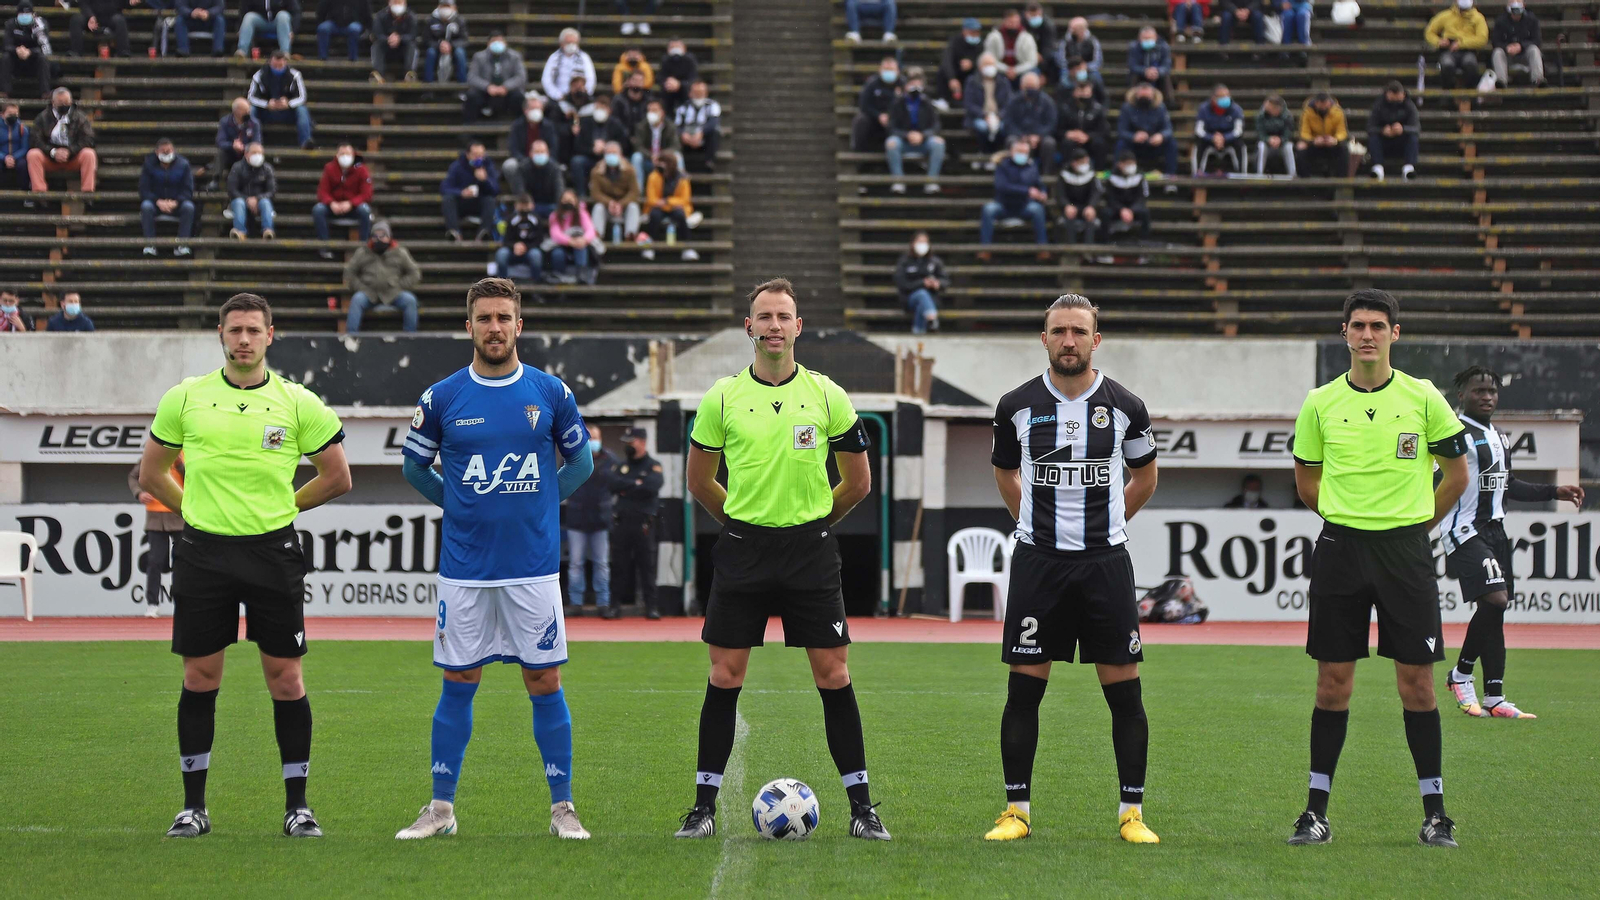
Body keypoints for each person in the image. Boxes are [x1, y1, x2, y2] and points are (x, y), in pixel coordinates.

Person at [675, 278, 887, 842]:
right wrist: (741, 522)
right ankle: (702, 809)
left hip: (810, 553)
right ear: (749, 327)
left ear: (798, 327)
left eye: (783, 316)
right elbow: (699, 481)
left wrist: (812, 522)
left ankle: (862, 809)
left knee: (834, 673)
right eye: (764, 317)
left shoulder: (827, 394)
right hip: (742, 551)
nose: (774, 326)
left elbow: (858, 482)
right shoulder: (722, 397)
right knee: (725, 674)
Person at [140, 291, 352, 840]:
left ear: (269, 335)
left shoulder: (298, 401)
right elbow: (152, 472)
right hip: (203, 553)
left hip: (272, 553)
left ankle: (298, 808)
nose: (243, 340)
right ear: (221, 334)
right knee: (199, 677)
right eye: (234, 330)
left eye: (253, 330)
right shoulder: (186, 397)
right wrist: (193, 509)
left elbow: (337, 476)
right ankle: (193, 808)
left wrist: (284, 508)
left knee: (286, 678)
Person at [392, 277, 595, 842]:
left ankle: (563, 808)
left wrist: (541, 504)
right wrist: (459, 505)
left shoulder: (550, 392)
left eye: (504, 317)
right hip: (466, 571)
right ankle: (440, 808)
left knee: (544, 679)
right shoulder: (442, 397)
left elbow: (580, 464)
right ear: (469, 327)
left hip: (533, 568)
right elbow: (414, 468)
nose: (495, 327)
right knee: (458, 680)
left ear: (519, 325)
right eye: (484, 318)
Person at [1285, 288, 1470, 848]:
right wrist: (1350, 519)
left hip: (1405, 553)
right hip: (1340, 550)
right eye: (1358, 325)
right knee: (1332, 683)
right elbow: (1307, 483)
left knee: (1418, 683)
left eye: (1378, 325)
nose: (1368, 334)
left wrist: (1413, 526)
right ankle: (1315, 813)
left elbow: (1457, 475)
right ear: (1344, 333)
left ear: (1395, 333)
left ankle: (1435, 815)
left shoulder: (1424, 396)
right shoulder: (1320, 402)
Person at [982, 293, 1161, 845]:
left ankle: (1132, 815)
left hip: (1106, 564)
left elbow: (1145, 478)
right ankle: (1016, 812)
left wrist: (1107, 521)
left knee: (1125, 694)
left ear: (1095, 340)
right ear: (1044, 339)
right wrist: (1032, 520)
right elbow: (1006, 473)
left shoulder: (1126, 406)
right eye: (1058, 331)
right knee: (1024, 692)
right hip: (1039, 564)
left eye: (1078, 332)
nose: (1068, 341)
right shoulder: (1015, 405)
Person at [1442, 365, 1581, 719]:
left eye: (1492, 391)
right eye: (1479, 391)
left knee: (1496, 612)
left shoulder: (1499, 436)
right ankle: (1460, 673)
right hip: (1464, 530)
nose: (1487, 397)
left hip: (1496, 533)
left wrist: (1555, 491)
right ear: (1462, 395)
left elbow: (1508, 484)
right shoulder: (1454, 433)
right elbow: (1431, 479)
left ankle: (1494, 697)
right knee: (1496, 600)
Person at [609, 426, 664, 619]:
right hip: (622, 522)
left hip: (644, 524)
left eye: (631, 442)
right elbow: (612, 484)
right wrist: (636, 483)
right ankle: (614, 606)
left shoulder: (653, 465)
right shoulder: (621, 465)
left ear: (642, 442)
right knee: (619, 566)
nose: (628, 446)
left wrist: (627, 487)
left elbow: (652, 487)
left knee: (647, 567)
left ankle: (651, 607)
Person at [564, 424, 617, 618]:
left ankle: (603, 603)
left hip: (600, 520)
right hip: (577, 519)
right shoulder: (572, 457)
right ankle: (576, 603)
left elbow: (617, 484)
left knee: (601, 563)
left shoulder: (611, 459)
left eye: (596, 437)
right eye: (590, 438)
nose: (593, 441)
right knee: (576, 563)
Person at [129, 454, 184, 617]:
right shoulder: (153, 452)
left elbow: (193, 479)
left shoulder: (187, 453)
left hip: (179, 514)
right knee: (155, 561)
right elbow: (133, 476)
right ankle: (152, 603)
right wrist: (139, 493)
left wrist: (180, 465)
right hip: (155, 517)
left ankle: (183, 602)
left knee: (182, 562)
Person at [979, 137, 1049, 262]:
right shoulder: (1003, 166)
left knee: (1038, 209)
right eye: (1019, 151)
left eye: (1025, 152)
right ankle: (985, 249)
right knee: (988, 209)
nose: (1022, 154)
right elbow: (1002, 186)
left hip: (1024, 206)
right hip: (1004, 205)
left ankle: (1042, 248)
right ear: (1012, 152)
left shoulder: (1032, 166)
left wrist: (1043, 192)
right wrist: (1027, 191)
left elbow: (1039, 184)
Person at [344, 221, 421, 332]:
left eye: (383, 235)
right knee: (357, 299)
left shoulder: (400, 252)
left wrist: (399, 286)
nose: (379, 239)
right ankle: (352, 336)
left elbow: (414, 273)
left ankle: (409, 337)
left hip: (394, 293)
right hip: (368, 293)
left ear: (389, 237)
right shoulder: (362, 252)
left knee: (410, 300)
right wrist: (361, 287)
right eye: (375, 236)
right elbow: (349, 272)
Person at [885, 67, 943, 194]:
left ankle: (931, 182)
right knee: (891, 142)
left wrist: (923, 135)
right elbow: (891, 127)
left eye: (918, 84)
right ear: (906, 85)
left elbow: (936, 125)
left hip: (923, 141)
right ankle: (898, 181)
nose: (915, 87)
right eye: (912, 83)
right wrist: (906, 135)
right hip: (903, 141)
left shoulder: (927, 103)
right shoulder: (897, 103)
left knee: (938, 143)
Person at [28, 88, 97, 193]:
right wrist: (53, 152)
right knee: (33, 155)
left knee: (89, 154)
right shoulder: (42, 118)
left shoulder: (80, 117)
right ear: (53, 102)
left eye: (66, 102)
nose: (64, 105)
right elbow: (35, 140)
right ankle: (39, 191)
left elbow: (88, 139)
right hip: (49, 157)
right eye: (60, 102)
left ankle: (87, 191)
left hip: (73, 157)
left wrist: (70, 151)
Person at [312, 143, 373, 257]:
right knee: (318, 210)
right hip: (333, 207)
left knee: (365, 210)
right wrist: (331, 203)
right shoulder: (329, 168)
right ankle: (324, 247)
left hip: (354, 207)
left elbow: (367, 194)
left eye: (348, 154)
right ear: (337, 155)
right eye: (342, 154)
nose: (345, 157)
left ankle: (364, 249)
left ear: (353, 155)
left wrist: (351, 203)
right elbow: (322, 191)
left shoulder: (362, 169)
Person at [249, 50, 315, 150]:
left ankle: (306, 142)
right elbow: (251, 97)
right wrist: (266, 104)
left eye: (280, 66)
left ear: (285, 62)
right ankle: (252, 142)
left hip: (288, 112)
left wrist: (288, 103)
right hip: (266, 112)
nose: (277, 68)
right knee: (251, 109)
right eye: (275, 65)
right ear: (270, 62)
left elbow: (302, 97)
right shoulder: (259, 75)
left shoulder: (295, 75)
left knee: (302, 109)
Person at [140, 138, 195, 256]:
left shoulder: (183, 164)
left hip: (177, 203)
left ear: (173, 150)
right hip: (156, 203)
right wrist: (158, 201)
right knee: (146, 206)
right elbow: (144, 189)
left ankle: (182, 244)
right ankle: (150, 245)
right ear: (157, 152)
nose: (166, 153)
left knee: (189, 207)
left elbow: (188, 190)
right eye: (163, 151)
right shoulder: (149, 164)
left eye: (168, 151)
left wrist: (176, 202)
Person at [640, 155, 697, 262]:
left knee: (680, 215)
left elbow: (685, 199)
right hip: (658, 207)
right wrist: (663, 203)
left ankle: (688, 247)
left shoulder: (682, 178)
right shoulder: (653, 176)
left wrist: (667, 201)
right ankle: (649, 247)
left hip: (673, 206)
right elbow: (651, 199)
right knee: (654, 215)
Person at [440, 140, 499, 242]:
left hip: (479, 203)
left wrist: (485, 181)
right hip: (461, 203)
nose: (478, 158)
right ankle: (454, 232)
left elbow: (495, 191)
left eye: (481, 155)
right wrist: (461, 192)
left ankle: (483, 233)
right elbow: (444, 187)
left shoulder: (488, 166)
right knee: (447, 199)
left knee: (490, 200)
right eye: (475, 155)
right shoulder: (457, 166)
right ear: (468, 155)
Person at [1115, 83, 1176, 177]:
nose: (1144, 98)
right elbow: (1121, 130)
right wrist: (1133, 136)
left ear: (1153, 95)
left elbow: (1168, 129)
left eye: (1147, 96)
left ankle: (1170, 175)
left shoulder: (1160, 108)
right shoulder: (1127, 108)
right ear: (1136, 95)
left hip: (1154, 144)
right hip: (1135, 146)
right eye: (1142, 95)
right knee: (1121, 143)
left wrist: (1161, 136)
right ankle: (1117, 173)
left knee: (1171, 143)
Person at [503, 98, 560, 199]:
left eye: (539, 108)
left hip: (544, 159)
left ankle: (550, 199)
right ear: (526, 110)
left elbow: (553, 147)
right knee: (510, 165)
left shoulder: (549, 126)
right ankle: (521, 198)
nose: (537, 111)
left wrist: (544, 157)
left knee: (555, 167)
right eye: (533, 108)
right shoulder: (517, 126)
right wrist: (526, 161)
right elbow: (513, 148)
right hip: (523, 160)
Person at [465, 33, 527, 124]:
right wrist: (488, 87)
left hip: (507, 92)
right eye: (494, 41)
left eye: (500, 41)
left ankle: (518, 126)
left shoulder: (515, 56)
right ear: (488, 44)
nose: (497, 43)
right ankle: (469, 127)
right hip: (486, 92)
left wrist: (506, 87)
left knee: (518, 97)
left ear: (505, 43)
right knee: (472, 96)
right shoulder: (478, 57)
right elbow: (472, 77)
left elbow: (521, 77)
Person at [1001, 71, 1056, 173]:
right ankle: (1015, 173)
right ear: (1021, 86)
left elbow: (1051, 123)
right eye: (1028, 86)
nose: (1030, 89)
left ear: (1038, 86)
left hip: (1040, 136)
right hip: (1020, 135)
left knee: (1049, 143)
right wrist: (1022, 136)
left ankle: (1046, 173)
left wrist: (1038, 136)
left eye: (1033, 86)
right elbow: (1008, 122)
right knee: (1011, 140)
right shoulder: (1013, 101)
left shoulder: (1047, 102)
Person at [1426, 0, 1489, 90]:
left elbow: (1482, 39)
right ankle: (1448, 91)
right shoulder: (1446, 15)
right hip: (1448, 50)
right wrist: (1438, 41)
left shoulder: (1478, 18)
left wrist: (1461, 44)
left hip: (1468, 51)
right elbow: (1429, 32)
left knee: (1470, 64)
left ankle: (1470, 91)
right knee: (1447, 65)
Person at [963, 53, 1012, 161]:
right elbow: (969, 104)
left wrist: (999, 116)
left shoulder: (1003, 82)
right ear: (980, 67)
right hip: (979, 117)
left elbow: (1008, 104)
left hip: (999, 117)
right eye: (987, 64)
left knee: (1003, 128)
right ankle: (984, 154)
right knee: (982, 127)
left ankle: (996, 153)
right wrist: (985, 116)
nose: (990, 67)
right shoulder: (972, 81)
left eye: (992, 64)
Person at [893, 231, 944, 334]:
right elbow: (902, 283)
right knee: (921, 294)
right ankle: (932, 319)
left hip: (931, 298)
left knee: (922, 304)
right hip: (909, 298)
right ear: (913, 243)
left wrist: (937, 284)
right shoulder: (905, 261)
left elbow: (945, 280)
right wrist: (922, 283)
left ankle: (918, 332)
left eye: (925, 242)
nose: (922, 245)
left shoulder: (934, 261)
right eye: (919, 242)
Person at [1368, 81, 1419, 181]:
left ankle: (1409, 168)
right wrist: (1382, 130)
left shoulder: (1409, 105)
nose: (1395, 101)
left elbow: (1416, 127)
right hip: (1384, 141)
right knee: (1373, 138)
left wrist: (1403, 129)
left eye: (1398, 98)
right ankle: (1377, 167)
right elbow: (1370, 126)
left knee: (1413, 137)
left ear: (1403, 94)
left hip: (1402, 142)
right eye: (1392, 99)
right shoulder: (1378, 104)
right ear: (1387, 94)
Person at [589, 141, 640, 243]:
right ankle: (597, 237)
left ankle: (630, 236)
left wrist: (621, 204)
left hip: (624, 206)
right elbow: (595, 193)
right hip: (606, 206)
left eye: (614, 153)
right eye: (609, 153)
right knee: (598, 208)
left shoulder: (629, 170)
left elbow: (634, 192)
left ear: (620, 155)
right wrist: (610, 203)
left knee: (633, 207)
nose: (611, 156)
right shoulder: (596, 171)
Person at [3, 2, 55, 99]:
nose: (24, 15)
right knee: (6, 57)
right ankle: (4, 92)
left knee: (43, 58)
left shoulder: (40, 25)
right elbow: (6, 45)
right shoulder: (10, 24)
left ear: (33, 14)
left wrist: (30, 52)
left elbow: (45, 47)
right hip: (16, 60)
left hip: (34, 61)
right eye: (22, 13)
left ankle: (45, 92)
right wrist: (17, 50)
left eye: (27, 13)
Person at [1054, 148, 1102, 247]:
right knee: (1069, 215)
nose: (1085, 165)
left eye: (1086, 162)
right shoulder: (1064, 175)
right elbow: (1060, 194)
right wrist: (1066, 205)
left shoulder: (1091, 174)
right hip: (1070, 207)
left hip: (1086, 207)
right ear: (1074, 163)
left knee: (1090, 216)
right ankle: (1071, 249)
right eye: (1082, 162)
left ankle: (1088, 250)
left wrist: (1091, 206)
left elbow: (1096, 192)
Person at [227, 141, 276, 239]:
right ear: (246, 154)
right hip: (241, 199)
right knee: (239, 202)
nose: (258, 155)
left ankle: (267, 231)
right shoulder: (237, 167)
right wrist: (247, 199)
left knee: (265, 202)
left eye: (260, 153)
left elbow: (272, 191)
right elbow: (232, 190)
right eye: (254, 153)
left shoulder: (267, 169)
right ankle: (240, 232)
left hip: (260, 201)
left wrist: (257, 199)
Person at [1057, 76, 1108, 169]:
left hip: (1090, 140)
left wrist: (1088, 136)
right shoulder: (1065, 108)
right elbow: (1058, 129)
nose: (1082, 93)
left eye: (1085, 91)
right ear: (1074, 92)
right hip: (1072, 139)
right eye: (1079, 90)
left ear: (1091, 92)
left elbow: (1103, 130)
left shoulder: (1097, 109)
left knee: (1099, 143)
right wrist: (1068, 133)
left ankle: (1100, 171)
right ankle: (1067, 169)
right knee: (1067, 143)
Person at [850, 56, 899, 153]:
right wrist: (878, 115)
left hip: (895, 119)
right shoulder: (872, 84)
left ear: (897, 71)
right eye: (886, 69)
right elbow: (864, 104)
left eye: (891, 69)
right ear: (880, 70)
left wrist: (890, 116)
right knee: (860, 120)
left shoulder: (902, 84)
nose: (889, 72)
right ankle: (859, 150)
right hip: (875, 119)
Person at [547, 188, 597, 283]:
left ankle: (581, 276)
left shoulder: (582, 214)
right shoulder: (555, 215)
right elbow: (555, 233)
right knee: (557, 253)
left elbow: (590, 230)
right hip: (562, 246)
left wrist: (583, 240)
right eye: (565, 200)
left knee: (581, 248)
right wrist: (570, 241)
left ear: (576, 201)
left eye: (570, 200)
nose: (568, 203)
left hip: (579, 245)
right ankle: (558, 276)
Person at [1489, 1, 1543, 88]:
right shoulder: (1500, 21)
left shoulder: (1532, 20)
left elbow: (1537, 40)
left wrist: (1521, 46)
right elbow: (1495, 42)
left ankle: (1538, 79)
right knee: (1497, 52)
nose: (1516, 16)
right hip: (1507, 56)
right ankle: (1501, 82)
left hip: (1525, 55)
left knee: (1534, 49)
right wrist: (1506, 47)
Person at [212, 98, 262, 191]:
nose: (248, 112)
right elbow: (220, 141)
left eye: (248, 109)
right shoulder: (225, 122)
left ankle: (254, 184)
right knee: (221, 153)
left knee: (256, 154)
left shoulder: (254, 123)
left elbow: (257, 142)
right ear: (237, 111)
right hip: (231, 153)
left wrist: (245, 147)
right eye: (245, 110)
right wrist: (232, 145)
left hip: (246, 154)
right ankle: (216, 180)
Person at [630, 98, 679, 192]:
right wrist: (651, 156)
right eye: (649, 110)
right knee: (636, 157)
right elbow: (638, 146)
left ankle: (678, 188)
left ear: (662, 113)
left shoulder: (670, 127)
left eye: (654, 110)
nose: (651, 113)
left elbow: (675, 146)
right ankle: (637, 191)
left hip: (665, 160)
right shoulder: (641, 127)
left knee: (677, 156)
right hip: (648, 159)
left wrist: (661, 155)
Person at [1195, 83, 1245, 174]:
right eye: (1222, 96)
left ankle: (1242, 174)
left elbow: (1238, 130)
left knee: (1240, 143)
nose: (1226, 98)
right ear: (1213, 98)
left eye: (1227, 95)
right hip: (1210, 139)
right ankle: (1198, 172)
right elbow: (1199, 130)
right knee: (1199, 142)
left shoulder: (1236, 109)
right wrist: (1212, 138)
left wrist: (1224, 138)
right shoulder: (1203, 109)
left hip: (1229, 139)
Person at [1296, 91, 1348, 178]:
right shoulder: (1307, 112)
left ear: (1329, 102)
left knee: (1344, 148)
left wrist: (1335, 140)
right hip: (1314, 143)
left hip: (1331, 143)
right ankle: (1304, 178)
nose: (1324, 107)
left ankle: (1341, 178)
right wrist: (1313, 141)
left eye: (1325, 104)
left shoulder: (1338, 112)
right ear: (1316, 103)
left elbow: (1342, 131)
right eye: (1321, 104)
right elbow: (1304, 132)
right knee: (1301, 147)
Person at [675, 80, 720, 173]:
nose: (698, 95)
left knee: (715, 132)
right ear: (690, 93)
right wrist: (683, 134)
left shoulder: (712, 105)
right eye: (696, 93)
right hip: (686, 138)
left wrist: (701, 133)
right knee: (674, 136)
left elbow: (713, 123)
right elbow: (677, 125)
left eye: (701, 93)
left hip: (703, 138)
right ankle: (679, 166)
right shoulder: (683, 107)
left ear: (706, 93)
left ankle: (709, 162)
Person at [937, 17, 984, 108]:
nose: (975, 35)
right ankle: (943, 99)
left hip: (972, 74)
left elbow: (983, 60)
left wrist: (972, 64)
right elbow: (947, 59)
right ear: (964, 31)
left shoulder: (980, 44)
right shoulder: (955, 41)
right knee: (942, 72)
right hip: (957, 74)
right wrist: (952, 78)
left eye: (977, 32)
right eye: (972, 32)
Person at [1103, 151, 1151, 239]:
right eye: (1128, 163)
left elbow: (1142, 197)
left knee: (1145, 212)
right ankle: (1105, 241)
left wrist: (1132, 210)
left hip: (1134, 208)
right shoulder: (1112, 178)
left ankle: (1144, 240)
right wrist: (1121, 209)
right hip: (1117, 208)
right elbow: (1110, 198)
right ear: (1120, 164)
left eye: (1133, 163)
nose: (1131, 166)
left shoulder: (1140, 177)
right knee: (1106, 213)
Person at [494, 194, 543, 278]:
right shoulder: (511, 219)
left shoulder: (536, 219)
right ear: (516, 206)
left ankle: (536, 282)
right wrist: (515, 246)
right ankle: (502, 281)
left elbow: (539, 240)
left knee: (536, 255)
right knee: (501, 254)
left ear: (532, 205)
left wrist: (526, 247)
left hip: (530, 249)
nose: (524, 209)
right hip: (512, 249)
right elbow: (505, 240)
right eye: (521, 205)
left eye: (526, 205)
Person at [419, 0, 468, 84]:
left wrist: (451, 45)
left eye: (448, 6)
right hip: (436, 47)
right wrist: (439, 44)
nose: (445, 9)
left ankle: (462, 83)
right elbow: (426, 39)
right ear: (438, 7)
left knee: (460, 53)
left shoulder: (459, 20)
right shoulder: (431, 20)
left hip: (454, 48)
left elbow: (464, 40)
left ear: (454, 8)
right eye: (443, 6)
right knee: (430, 52)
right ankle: (428, 83)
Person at [369, 0, 418, 83]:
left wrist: (400, 38)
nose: (397, 5)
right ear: (389, 3)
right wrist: (389, 39)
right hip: (386, 48)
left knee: (412, 46)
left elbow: (412, 35)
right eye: (395, 2)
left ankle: (409, 74)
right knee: (376, 45)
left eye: (400, 2)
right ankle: (378, 75)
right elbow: (377, 34)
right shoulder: (380, 16)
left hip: (403, 49)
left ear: (405, 3)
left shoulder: (411, 16)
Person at [542, 27, 595, 103]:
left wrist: (583, 94)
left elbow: (591, 79)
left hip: (579, 97)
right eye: (568, 42)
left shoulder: (584, 58)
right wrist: (558, 95)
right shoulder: (554, 58)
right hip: (558, 98)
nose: (571, 45)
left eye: (574, 43)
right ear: (561, 43)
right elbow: (546, 80)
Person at [985, 9, 1038, 84]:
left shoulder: (1027, 38)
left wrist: (1016, 70)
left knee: (1033, 74)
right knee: (987, 70)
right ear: (1005, 21)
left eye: (1016, 22)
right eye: (1011, 22)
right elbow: (989, 59)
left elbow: (1032, 61)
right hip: (1000, 71)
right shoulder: (993, 37)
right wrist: (1006, 69)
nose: (1014, 25)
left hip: (1021, 71)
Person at [1127, 26, 1175, 105]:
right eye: (1145, 38)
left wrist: (1157, 71)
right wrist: (1145, 71)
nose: (1147, 40)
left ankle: (1169, 103)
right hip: (1141, 74)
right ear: (1139, 38)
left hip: (1157, 74)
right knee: (1134, 76)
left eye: (1149, 38)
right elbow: (1132, 65)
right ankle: (1131, 103)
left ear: (1155, 38)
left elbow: (1166, 65)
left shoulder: (1164, 47)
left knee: (1165, 77)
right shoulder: (1134, 47)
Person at [1255, 94, 1296, 176]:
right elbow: (1260, 133)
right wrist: (1268, 139)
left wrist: (1280, 140)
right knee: (1261, 146)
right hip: (1267, 142)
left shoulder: (1287, 116)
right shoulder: (1261, 115)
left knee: (1289, 146)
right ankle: (1259, 174)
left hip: (1282, 143)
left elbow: (1288, 133)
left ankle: (1292, 174)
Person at [1022, 2, 1061, 85]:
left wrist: (1042, 60)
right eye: (1032, 15)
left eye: (1037, 15)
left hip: (1043, 57)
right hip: (1026, 56)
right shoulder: (1021, 25)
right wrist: (1033, 54)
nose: (1035, 17)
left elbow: (1049, 46)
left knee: (1054, 58)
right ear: (1026, 14)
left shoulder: (1048, 26)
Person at [656, 37, 697, 112]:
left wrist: (679, 84)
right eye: (672, 47)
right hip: (669, 91)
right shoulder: (665, 60)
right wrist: (668, 83)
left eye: (677, 47)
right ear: (668, 49)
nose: (675, 49)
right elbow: (660, 78)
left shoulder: (690, 60)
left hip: (685, 91)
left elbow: (693, 78)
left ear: (684, 48)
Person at [0, 101, 27, 193]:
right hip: (1, 156)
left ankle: (25, 192)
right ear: (2, 114)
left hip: (17, 157)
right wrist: (5, 158)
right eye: (10, 114)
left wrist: (13, 157)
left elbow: (24, 148)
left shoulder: (22, 128)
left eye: (15, 114)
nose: (13, 116)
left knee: (23, 165)